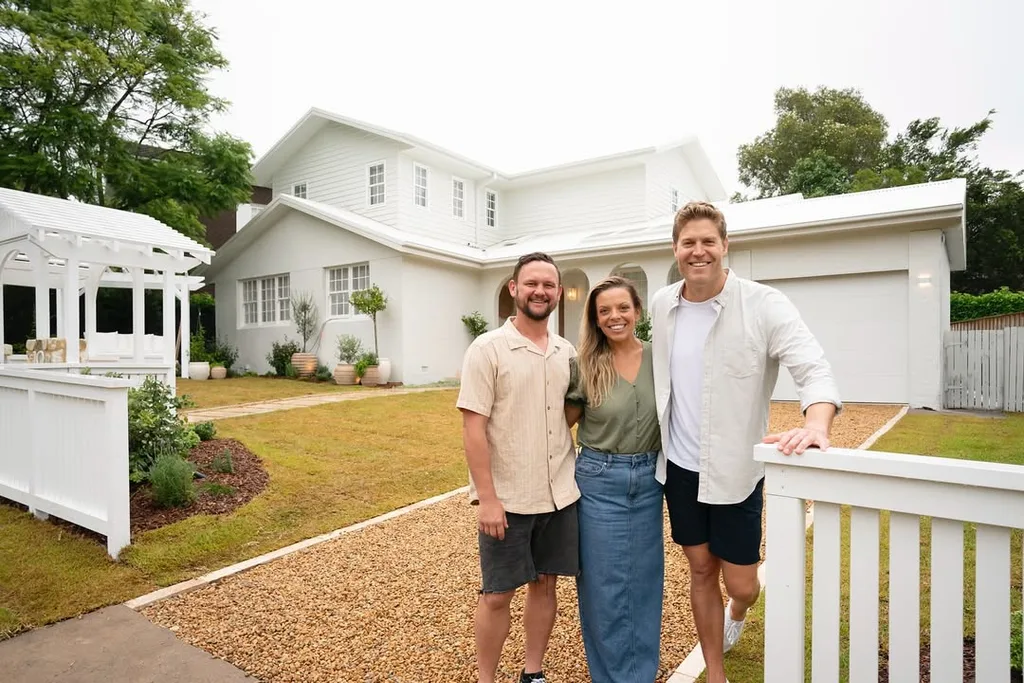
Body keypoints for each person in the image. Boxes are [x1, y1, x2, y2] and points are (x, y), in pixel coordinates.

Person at [650, 200, 842, 683]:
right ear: (675, 249)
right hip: (679, 467)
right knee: (699, 569)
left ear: (725, 245)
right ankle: (715, 670)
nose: (698, 252)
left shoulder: (764, 304)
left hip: (737, 470)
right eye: (688, 243)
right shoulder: (662, 305)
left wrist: (816, 425)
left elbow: (813, 368)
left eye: (707, 242)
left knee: (741, 583)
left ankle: (737, 612)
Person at [456, 251, 579, 683]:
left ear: (559, 293)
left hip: (560, 494)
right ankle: (486, 679)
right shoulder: (487, 349)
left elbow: (568, 414)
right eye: (531, 283)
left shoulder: (567, 352)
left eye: (548, 285)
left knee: (545, 584)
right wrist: (487, 498)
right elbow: (474, 427)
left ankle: (533, 673)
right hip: (507, 499)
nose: (540, 291)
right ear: (514, 289)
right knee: (496, 594)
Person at [564, 276, 664, 683]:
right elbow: (555, 428)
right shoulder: (585, 366)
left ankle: (640, 674)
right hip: (599, 482)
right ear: (595, 318)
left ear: (637, 311)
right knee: (603, 588)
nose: (614, 317)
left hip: (649, 481)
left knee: (643, 583)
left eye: (622, 307)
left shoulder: (663, 358)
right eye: (604, 311)